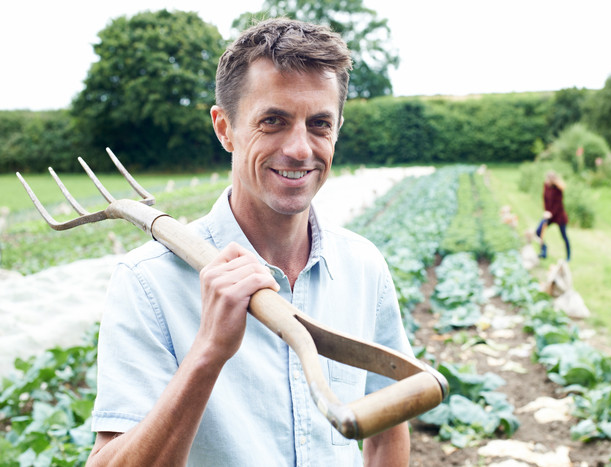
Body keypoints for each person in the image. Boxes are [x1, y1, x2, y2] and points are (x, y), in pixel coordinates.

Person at [87, 18, 411, 466]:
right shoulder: (149, 283)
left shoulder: (362, 265)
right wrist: (208, 353)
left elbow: (389, 423)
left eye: (319, 124)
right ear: (225, 128)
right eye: (273, 121)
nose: (300, 148)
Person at [535, 170, 571, 261]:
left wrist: (551, 213)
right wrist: (546, 211)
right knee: (538, 231)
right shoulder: (546, 186)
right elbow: (545, 199)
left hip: (559, 215)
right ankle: (544, 250)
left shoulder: (558, 189)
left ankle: (568, 256)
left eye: (549, 179)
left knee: (564, 236)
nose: (548, 181)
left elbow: (558, 204)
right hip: (548, 215)